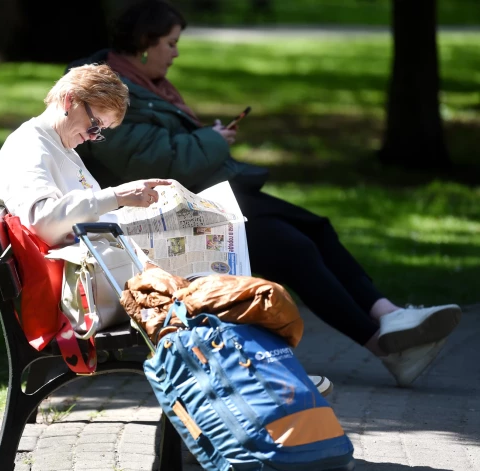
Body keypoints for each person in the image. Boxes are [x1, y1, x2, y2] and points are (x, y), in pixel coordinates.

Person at [69, 0, 462, 387]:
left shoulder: (142, 82)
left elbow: (162, 147)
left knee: (315, 229)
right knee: (293, 246)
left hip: (199, 198)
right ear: (144, 42)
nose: (175, 53)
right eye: (170, 43)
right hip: (168, 216)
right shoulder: (109, 89)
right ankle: (385, 344)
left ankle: (388, 315)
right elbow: (150, 163)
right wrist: (212, 139)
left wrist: (207, 139)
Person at [0, 63, 334, 396]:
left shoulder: (58, 143)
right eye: (95, 125)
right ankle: (265, 382)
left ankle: (263, 379)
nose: (92, 137)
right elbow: (42, 218)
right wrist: (118, 196)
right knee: (211, 295)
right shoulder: (30, 148)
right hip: (88, 290)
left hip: (104, 273)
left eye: (100, 132)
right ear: (69, 101)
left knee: (219, 279)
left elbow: (79, 214)